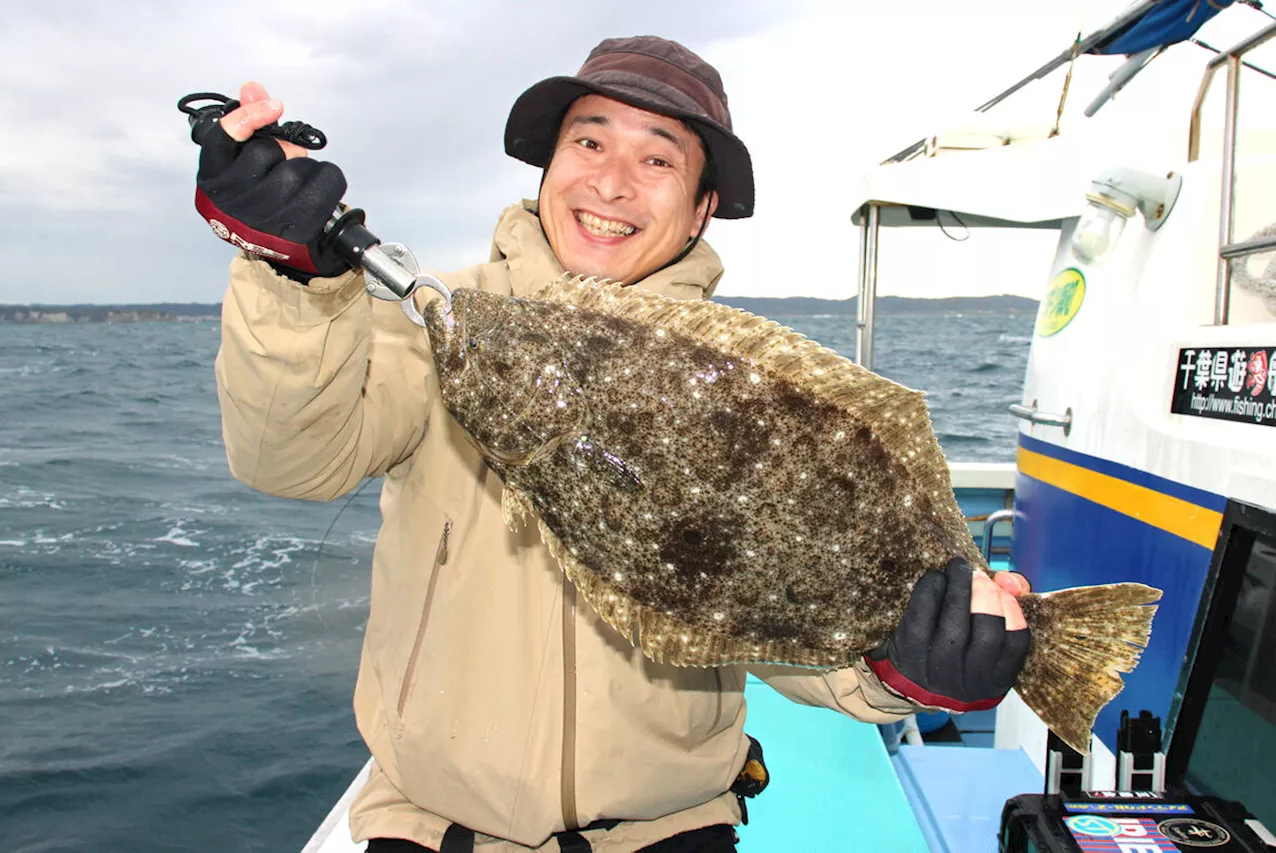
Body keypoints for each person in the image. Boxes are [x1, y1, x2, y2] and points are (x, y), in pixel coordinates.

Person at [194, 36, 1031, 853]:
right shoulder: (446, 317)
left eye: (659, 160)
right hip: (430, 825)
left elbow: (766, 624)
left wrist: (901, 671)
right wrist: (290, 273)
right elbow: (289, 459)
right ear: (548, 168)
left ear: (703, 206)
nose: (612, 181)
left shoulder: (742, 383)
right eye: (587, 141)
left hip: (671, 830)